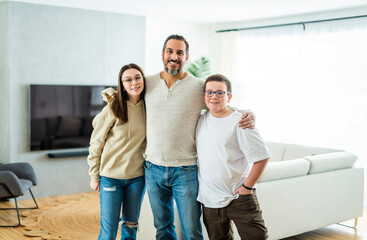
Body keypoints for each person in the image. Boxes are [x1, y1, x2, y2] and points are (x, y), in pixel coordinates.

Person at [143, 34, 256, 240]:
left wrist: (247, 112)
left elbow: (220, 101)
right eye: (170, 51)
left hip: (185, 170)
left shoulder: (198, 86)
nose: (174, 56)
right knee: (162, 228)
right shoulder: (147, 84)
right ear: (162, 54)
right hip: (153, 169)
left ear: (186, 57)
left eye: (179, 52)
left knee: (192, 231)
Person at [196, 74, 270, 240]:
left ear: (228, 96)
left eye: (220, 93)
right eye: (209, 92)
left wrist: (247, 188)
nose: (214, 96)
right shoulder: (199, 121)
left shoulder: (241, 122)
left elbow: (262, 157)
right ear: (204, 96)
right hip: (210, 200)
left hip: (239, 197)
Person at [87, 63, 147, 240]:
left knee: (130, 227)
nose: (134, 83)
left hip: (137, 178)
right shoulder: (113, 108)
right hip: (111, 177)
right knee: (109, 231)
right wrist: (94, 175)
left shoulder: (149, 107)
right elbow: (96, 143)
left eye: (137, 77)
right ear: (122, 84)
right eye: (128, 80)